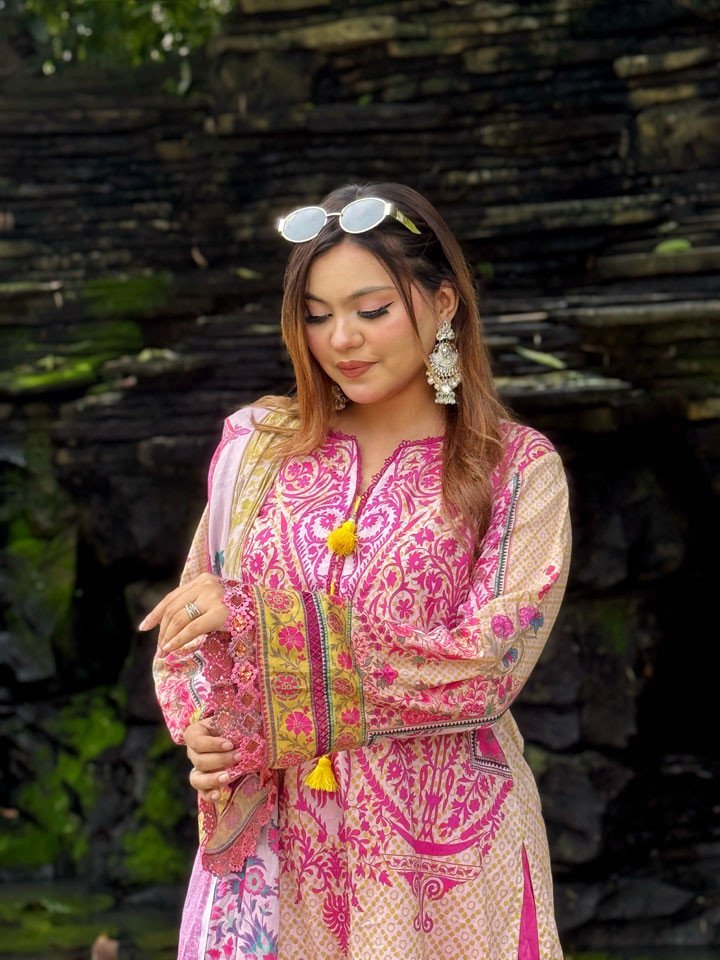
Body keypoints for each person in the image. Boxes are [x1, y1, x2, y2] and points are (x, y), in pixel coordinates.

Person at [143, 182, 572, 960]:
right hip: (281, 857)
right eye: (316, 315)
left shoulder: (513, 468)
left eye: (371, 310)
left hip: (441, 862)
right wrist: (209, 730)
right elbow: (193, 627)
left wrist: (265, 624)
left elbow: (487, 666)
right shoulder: (260, 451)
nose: (341, 339)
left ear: (443, 305)